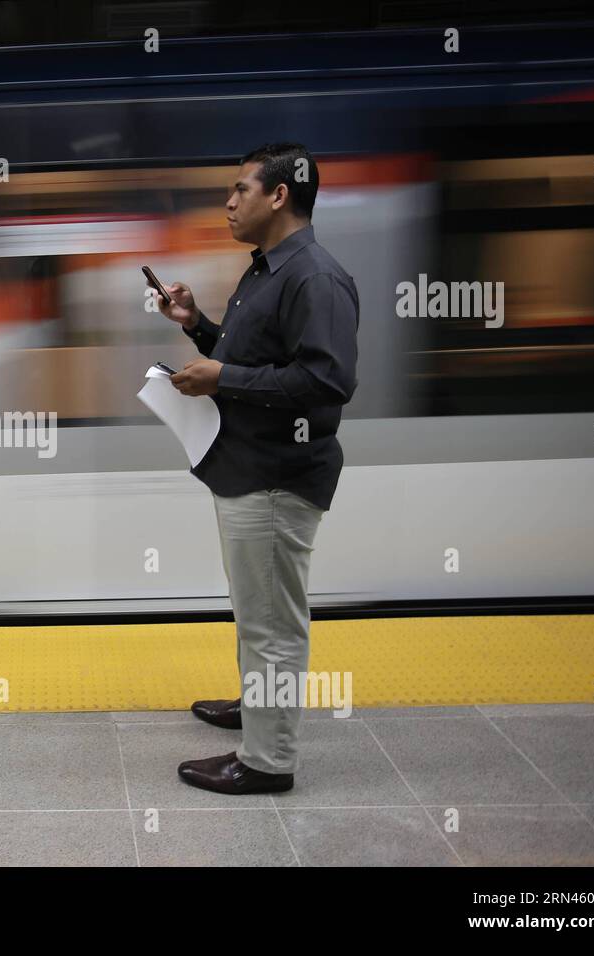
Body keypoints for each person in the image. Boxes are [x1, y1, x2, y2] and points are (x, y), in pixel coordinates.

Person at [152, 143, 359, 795]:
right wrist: (197, 328)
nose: (229, 200)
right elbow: (257, 364)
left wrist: (222, 377)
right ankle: (258, 707)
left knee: (272, 621)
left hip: (277, 476)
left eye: (241, 189)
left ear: (280, 196)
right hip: (248, 470)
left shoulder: (314, 277)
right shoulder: (268, 272)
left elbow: (326, 382)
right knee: (255, 608)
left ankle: (267, 760)